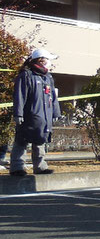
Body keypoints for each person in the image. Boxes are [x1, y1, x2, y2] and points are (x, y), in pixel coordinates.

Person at [10, 48, 60, 177]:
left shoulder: (48, 77)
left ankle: (40, 166)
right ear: (41, 60)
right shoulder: (26, 75)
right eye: (47, 59)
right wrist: (18, 114)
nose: (49, 62)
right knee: (21, 141)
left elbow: (53, 97)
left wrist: (55, 113)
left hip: (44, 117)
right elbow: (19, 96)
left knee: (40, 140)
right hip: (28, 115)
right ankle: (17, 167)